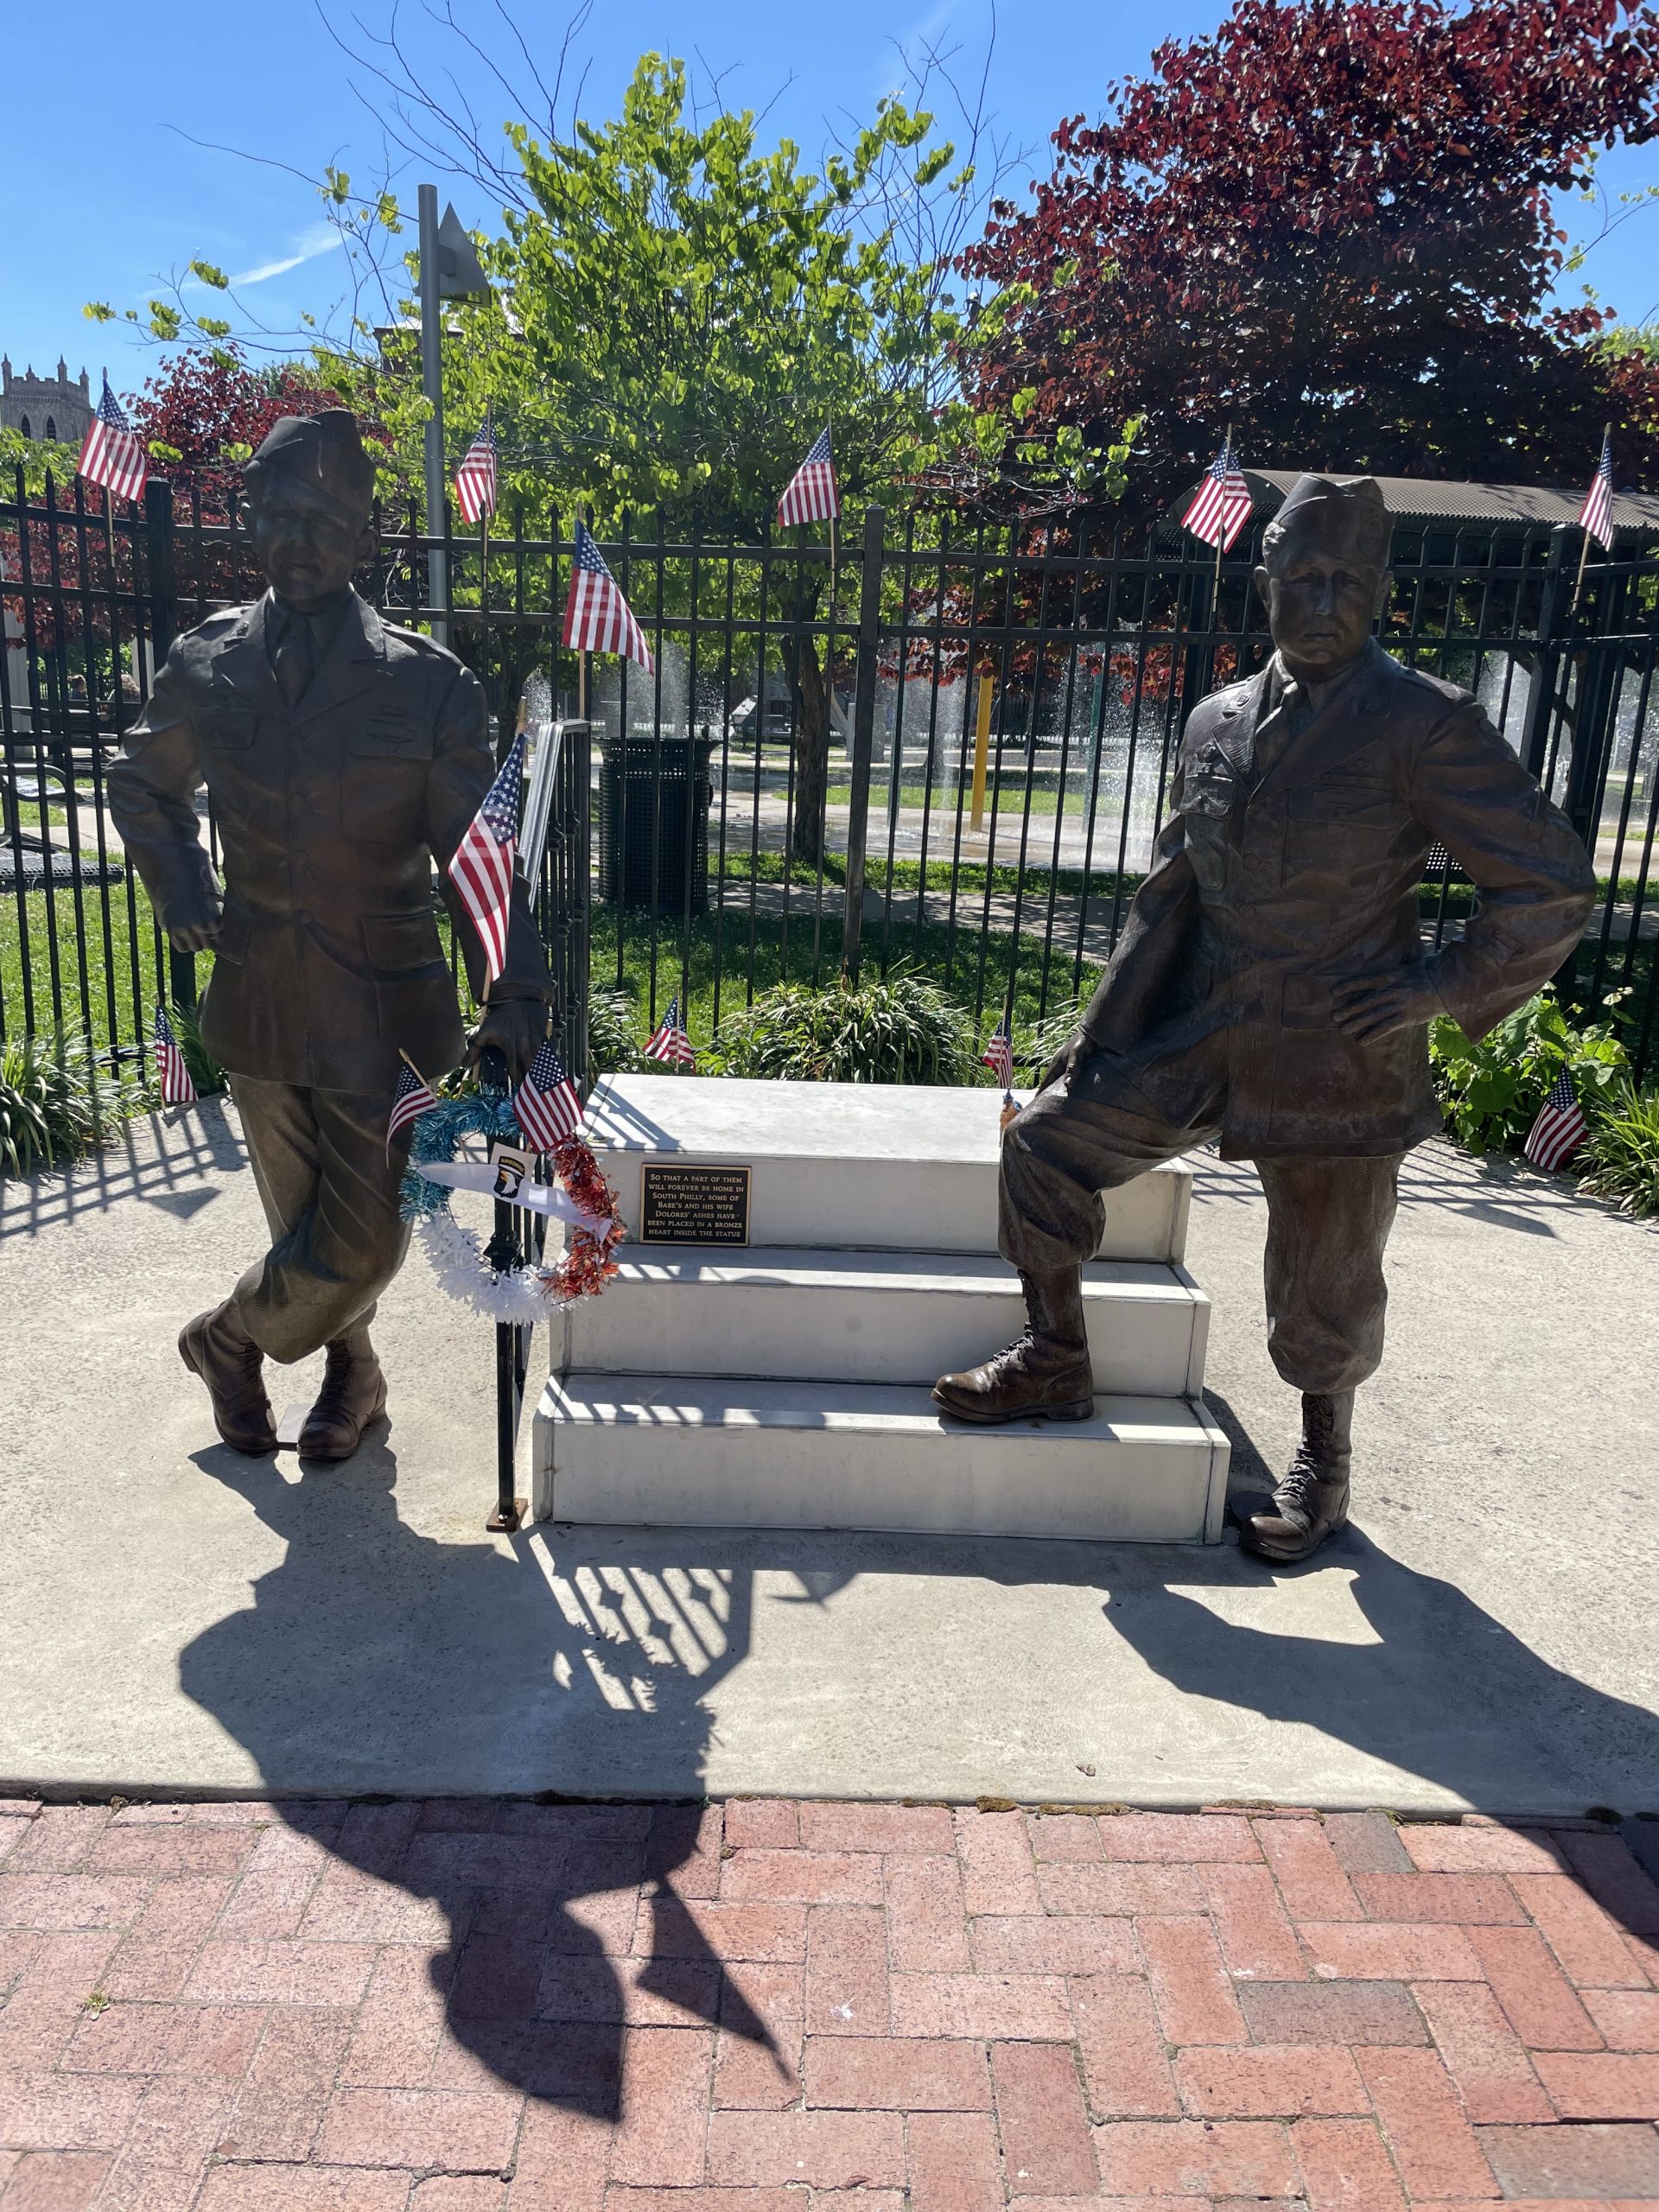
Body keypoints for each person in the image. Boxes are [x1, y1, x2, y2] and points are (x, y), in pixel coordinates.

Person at [933, 474, 1595, 1564]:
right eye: (1303, 577)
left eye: (1347, 579)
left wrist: (1436, 987)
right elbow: (1169, 892)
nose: (1325, 598)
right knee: (1044, 1147)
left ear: (1378, 591)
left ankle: (1323, 1464)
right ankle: (1056, 1356)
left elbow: (1551, 885)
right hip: (1209, 1021)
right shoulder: (1215, 719)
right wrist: (1103, 1032)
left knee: (1321, 1281)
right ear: (1265, 584)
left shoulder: (1424, 724)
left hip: (1339, 1048)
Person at [109, 411, 551, 1460]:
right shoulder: (207, 661)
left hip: (382, 1005)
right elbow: (140, 779)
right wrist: (178, 877)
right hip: (258, 1001)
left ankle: (225, 1340)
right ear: (251, 520)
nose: (302, 538)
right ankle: (354, 1376)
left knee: (361, 1241)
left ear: (363, 541)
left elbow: (475, 861)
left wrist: (515, 987)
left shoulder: (426, 681)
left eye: (329, 522)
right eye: (283, 514)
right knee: (303, 1220)